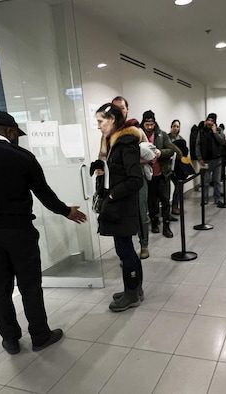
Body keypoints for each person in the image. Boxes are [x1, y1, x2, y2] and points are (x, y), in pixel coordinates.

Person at [0, 111, 87, 354]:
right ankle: (39, 336)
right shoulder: (23, 157)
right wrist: (67, 211)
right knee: (30, 285)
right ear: (10, 132)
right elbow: (44, 194)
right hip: (19, 232)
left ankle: (10, 339)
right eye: (16, 135)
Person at [94, 103, 144, 312]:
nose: (98, 126)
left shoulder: (125, 144)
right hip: (117, 206)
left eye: (100, 121)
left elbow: (135, 180)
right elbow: (117, 171)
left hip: (122, 207)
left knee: (125, 252)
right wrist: (99, 168)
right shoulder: (114, 143)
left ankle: (132, 294)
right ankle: (135, 289)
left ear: (112, 119)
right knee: (125, 250)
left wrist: (113, 194)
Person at [111, 96, 152, 259]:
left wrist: (132, 161)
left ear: (127, 110)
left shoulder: (137, 131)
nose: (119, 111)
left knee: (141, 212)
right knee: (121, 214)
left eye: (122, 107)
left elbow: (152, 154)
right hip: (117, 182)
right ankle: (126, 251)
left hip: (137, 178)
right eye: (115, 108)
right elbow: (104, 157)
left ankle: (144, 245)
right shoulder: (109, 133)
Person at [141, 110, 179, 238]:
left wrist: (160, 152)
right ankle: (155, 223)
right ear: (143, 123)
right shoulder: (139, 136)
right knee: (152, 202)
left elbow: (171, 150)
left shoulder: (161, 135)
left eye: (152, 124)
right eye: (147, 124)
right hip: (148, 176)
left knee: (165, 200)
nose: (150, 127)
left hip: (163, 174)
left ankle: (166, 227)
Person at [194, 113, 226, 204]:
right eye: (208, 120)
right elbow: (197, 145)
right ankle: (205, 199)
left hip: (217, 160)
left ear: (215, 122)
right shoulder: (201, 132)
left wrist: (215, 132)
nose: (210, 122)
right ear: (206, 120)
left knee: (217, 181)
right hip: (205, 161)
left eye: (212, 121)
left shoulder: (219, 130)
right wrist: (199, 158)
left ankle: (217, 199)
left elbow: (222, 142)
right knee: (205, 182)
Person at [168, 119, 185, 215]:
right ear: (171, 126)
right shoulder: (166, 137)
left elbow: (183, 153)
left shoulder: (181, 139)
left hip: (177, 167)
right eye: (174, 126)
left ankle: (175, 207)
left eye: (177, 126)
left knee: (178, 187)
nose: (175, 128)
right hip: (167, 167)